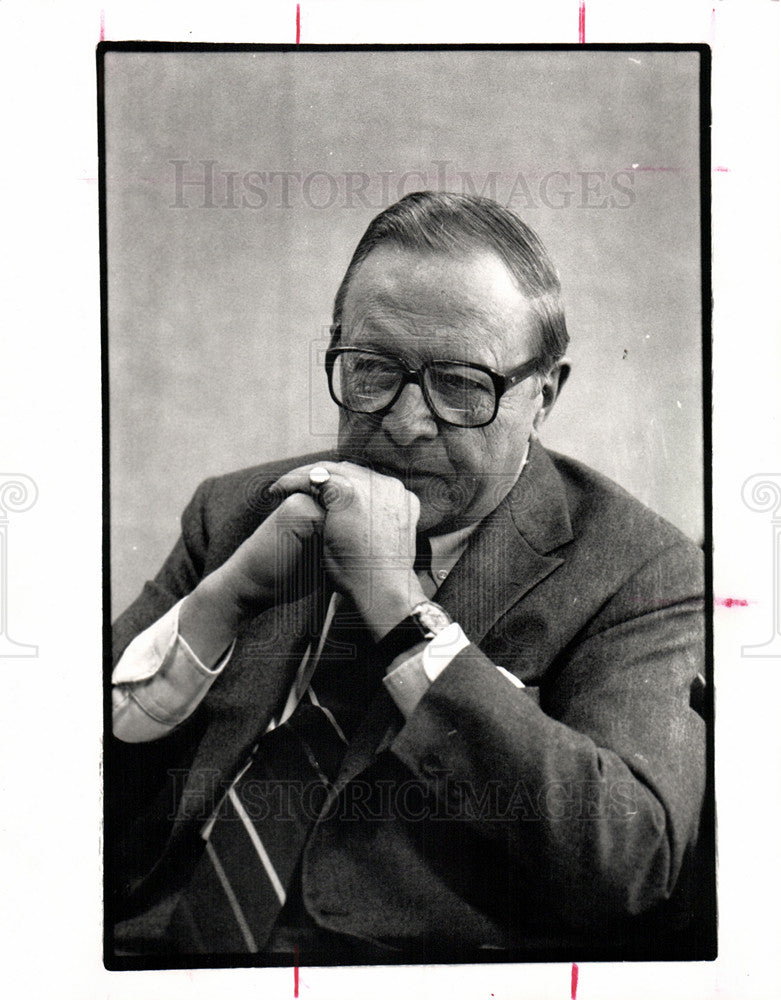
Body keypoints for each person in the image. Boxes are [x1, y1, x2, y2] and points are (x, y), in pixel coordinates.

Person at [108, 191, 707, 964]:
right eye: (373, 369)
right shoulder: (237, 513)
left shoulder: (640, 571)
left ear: (543, 395)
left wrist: (400, 611)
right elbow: (49, 769)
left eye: (460, 385)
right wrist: (222, 602)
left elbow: (635, 860)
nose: (404, 421)